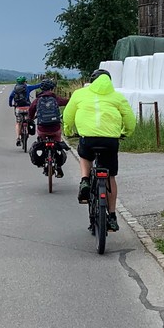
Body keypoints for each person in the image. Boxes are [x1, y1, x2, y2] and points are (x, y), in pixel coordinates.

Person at [62, 68, 136, 232]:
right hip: (110, 141)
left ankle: (85, 181)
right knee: (110, 176)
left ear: (92, 81)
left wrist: (67, 131)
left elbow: (68, 115)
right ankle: (111, 215)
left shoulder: (80, 94)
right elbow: (130, 119)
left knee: (84, 155)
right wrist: (125, 133)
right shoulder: (117, 96)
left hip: (88, 139)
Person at [27, 79, 70, 173]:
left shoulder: (37, 100)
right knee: (58, 144)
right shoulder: (55, 98)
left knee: (41, 141)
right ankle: (58, 166)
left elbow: (30, 111)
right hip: (55, 128)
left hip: (42, 128)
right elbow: (66, 102)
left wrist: (30, 119)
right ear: (52, 88)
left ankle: (44, 161)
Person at [7, 77, 41, 146]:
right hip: (27, 107)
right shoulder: (28, 87)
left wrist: (11, 104)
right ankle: (27, 131)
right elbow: (37, 86)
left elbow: (10, 97)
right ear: (24, 82)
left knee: (18, 123)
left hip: (19, 108)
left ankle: (18, 138)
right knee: (29, 119)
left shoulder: (15, 89)